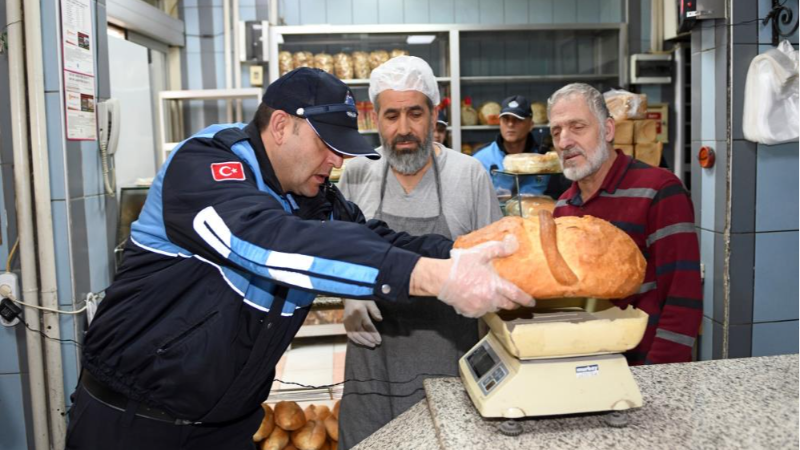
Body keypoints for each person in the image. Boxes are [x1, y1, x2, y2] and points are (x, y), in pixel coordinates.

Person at [64, 68, 533, 450]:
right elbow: (265, 240)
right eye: (326, 146)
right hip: (132, 423)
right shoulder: (207, 165)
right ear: (282, 125)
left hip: (226, 428)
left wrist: (469, 254)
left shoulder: (314, 199)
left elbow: (380, 239)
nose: (336, 163)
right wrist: (431, 277)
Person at [336, 56, 503, 449]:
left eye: (415, 113)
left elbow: (496, 269)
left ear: (434, 114)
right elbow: (336, 249)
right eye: (391, 115)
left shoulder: (468, 176)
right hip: (372, 359)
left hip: (452, 357)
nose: (404, 129)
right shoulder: (357, 172)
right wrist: (350, 294)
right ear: (374, 118)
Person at [547, 83, 702, 365]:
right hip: (588, 367)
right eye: (556, 131)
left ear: (607, 130)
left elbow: (683, 298)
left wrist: (662, 377)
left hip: (646, 369)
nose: (564, 141)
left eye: (577, 127)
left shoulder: (658, 190)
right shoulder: (563, 208)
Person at [472, 95, 571, 200]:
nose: (510, 124)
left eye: (517, 119)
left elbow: (557, 199)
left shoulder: (546, 161)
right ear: (499, 123)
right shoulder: (480, 158)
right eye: (505, 119)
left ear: (531, 125)